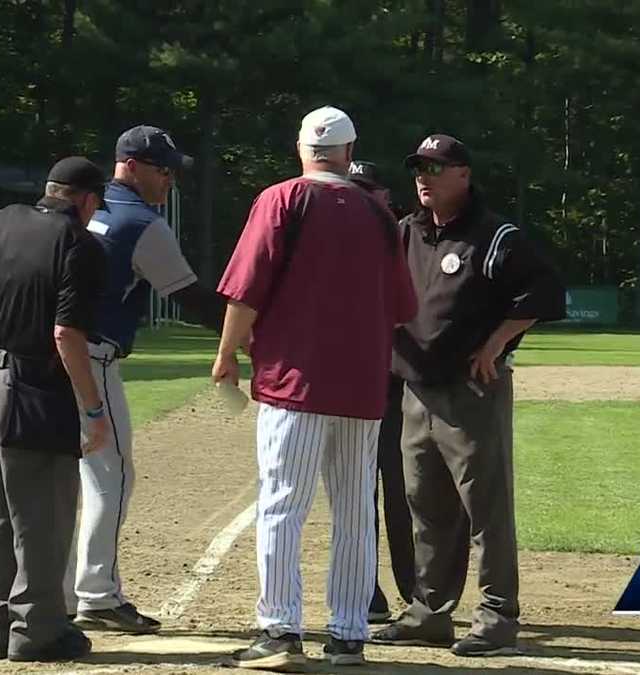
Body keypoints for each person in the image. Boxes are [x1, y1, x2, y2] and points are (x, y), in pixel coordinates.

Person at [212, 106, 417, 670]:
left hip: (294, 382)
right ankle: (349, 634)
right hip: (361, 385)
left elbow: (246, 289)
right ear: (350, 153)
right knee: (354, 509)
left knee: (283, 504)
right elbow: (401, 307)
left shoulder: (282, 199)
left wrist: (228, 351)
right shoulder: (379, 213)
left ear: (302, 148)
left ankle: (280, 631)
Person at [369, 134, 565, 657]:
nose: (424, 177)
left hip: (471, 394)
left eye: (436, 168)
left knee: (486, 508)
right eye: (418, 168)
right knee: (425, 508)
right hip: (414, 392)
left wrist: (498, 342)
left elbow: (545, 291)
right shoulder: (406, 231)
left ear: (464, 175)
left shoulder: (494, 235)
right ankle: (429, 613)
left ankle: (498, 616)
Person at [0, 157, 111, 663]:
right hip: (35, 385)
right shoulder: (80, 245)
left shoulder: (3, 220)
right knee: (43, 511)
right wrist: (93, 411)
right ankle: (37, 630)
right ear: (86, 201)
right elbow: (66, 335)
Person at [65, 125, 226, 634]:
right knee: (111, 474)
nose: (169, 181)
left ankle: (60, 589)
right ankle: (98, 594)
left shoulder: (77, 210)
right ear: (129, 165)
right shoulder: (142, 223)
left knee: (63, 478)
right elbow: (194, 300)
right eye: (162, 170)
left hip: (43, 355)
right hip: (91, 356)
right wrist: (248, 327)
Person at [347, 160, 416, 623]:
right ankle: (366, 589)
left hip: (399, 387)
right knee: (356, 493)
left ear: (385, 197)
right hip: (352, 385)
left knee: (405, 492)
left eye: (368, 191)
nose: (360, 198)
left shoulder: (407, 238)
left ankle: (417, 592)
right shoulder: (336, 242)